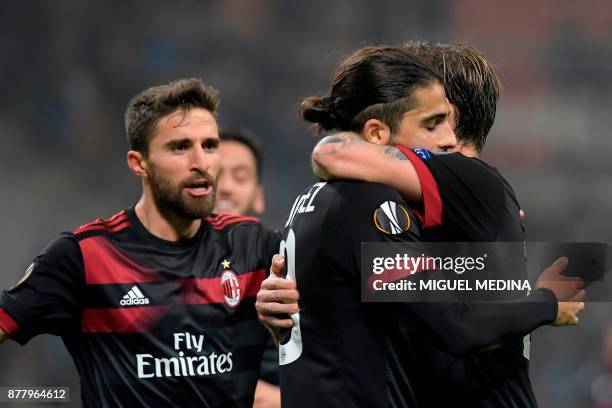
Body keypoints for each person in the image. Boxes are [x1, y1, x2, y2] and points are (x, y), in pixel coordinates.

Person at [256, 46, 583, 408]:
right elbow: (440, 323)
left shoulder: (464, 180)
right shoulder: (374, 202)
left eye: (446, 120)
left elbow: (333, 152)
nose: (445, 137)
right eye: (431, 123)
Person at [0, 78, 284, 408]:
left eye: (209, 145)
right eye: (180, 147)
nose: (201, 162)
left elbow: (359, 281)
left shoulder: (253, 245)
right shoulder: (86, 256)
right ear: (139, 164)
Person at [215, 128, 280, 408]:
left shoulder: (281, 257)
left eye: (240, 177)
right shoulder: (161, 270)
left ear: (259, 196)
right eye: (215, 176)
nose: (226, 187)